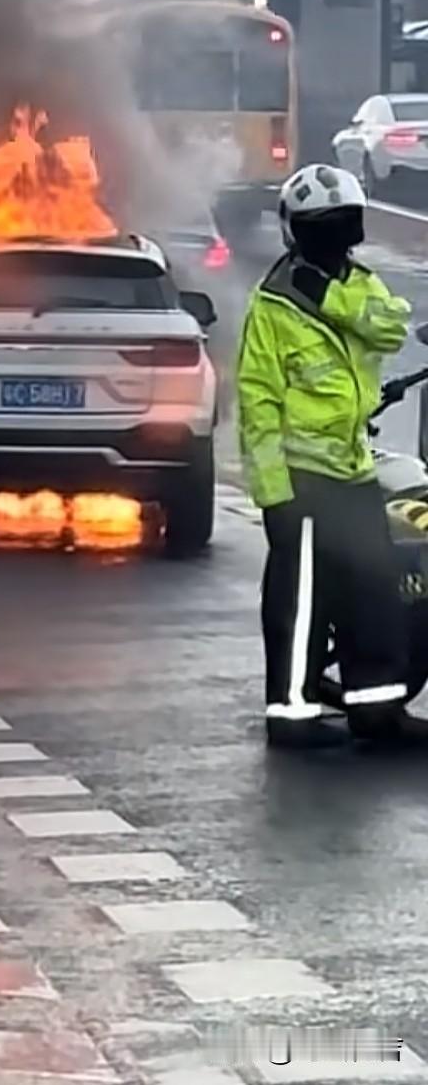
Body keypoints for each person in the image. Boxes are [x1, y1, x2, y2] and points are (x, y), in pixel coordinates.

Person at [237, 163, 428, 748]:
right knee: (301, 606)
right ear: (299, 231)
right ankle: (291, 716)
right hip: (301, 481)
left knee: (373, 594)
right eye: (327, 225)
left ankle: (378, 709)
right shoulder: (273, 306)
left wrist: (331, 296)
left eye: (344, 223)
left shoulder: (354, 283)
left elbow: (390, 326)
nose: (338, 236)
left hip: (353, 469)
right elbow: (257, 402)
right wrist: (274, 495)